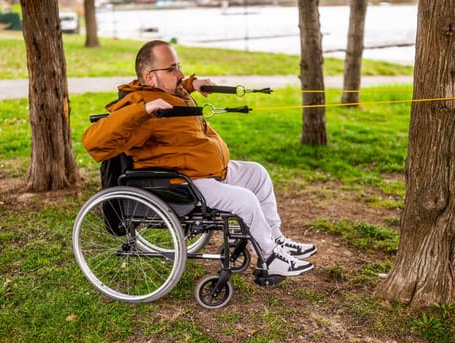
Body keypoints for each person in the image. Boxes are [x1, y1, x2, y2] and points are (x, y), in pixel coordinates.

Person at [82, 40, 317, 277]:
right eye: (172, 69)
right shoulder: (139, 107)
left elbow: (173, 90)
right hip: (184, 183)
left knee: (258, 174)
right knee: (244, 200)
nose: (180, 73)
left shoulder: (167, 93)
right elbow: (92, 141)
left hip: (207, 172)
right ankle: (270, 257)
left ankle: (276, 239)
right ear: (150, 77)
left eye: (179, 67)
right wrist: (142, 111)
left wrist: (191, 84)